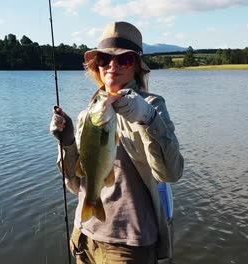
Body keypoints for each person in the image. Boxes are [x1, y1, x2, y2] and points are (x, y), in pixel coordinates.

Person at [50, 21, 184, 264]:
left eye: (124, 59)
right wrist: (67, 141)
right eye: (104, 58)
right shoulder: (88, 114)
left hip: (128, 246)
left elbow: (170, 173)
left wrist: (146, 118)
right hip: (84, 237)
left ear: (137, 67)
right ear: (96, 65)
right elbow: (75, 184)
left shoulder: (152, 105)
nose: (112, 65)